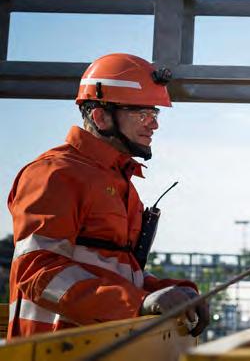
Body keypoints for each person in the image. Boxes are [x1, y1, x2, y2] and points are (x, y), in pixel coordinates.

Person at [7, 53, 209, 339]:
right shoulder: (54, 175)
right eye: (143, 114)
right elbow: (38, 272)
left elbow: (115, 272)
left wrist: (168, 292)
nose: (154, 125)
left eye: (155, 114)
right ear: (101, 117)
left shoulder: (121, 182)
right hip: (53, 349)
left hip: (101, 346)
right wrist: (138, 303)